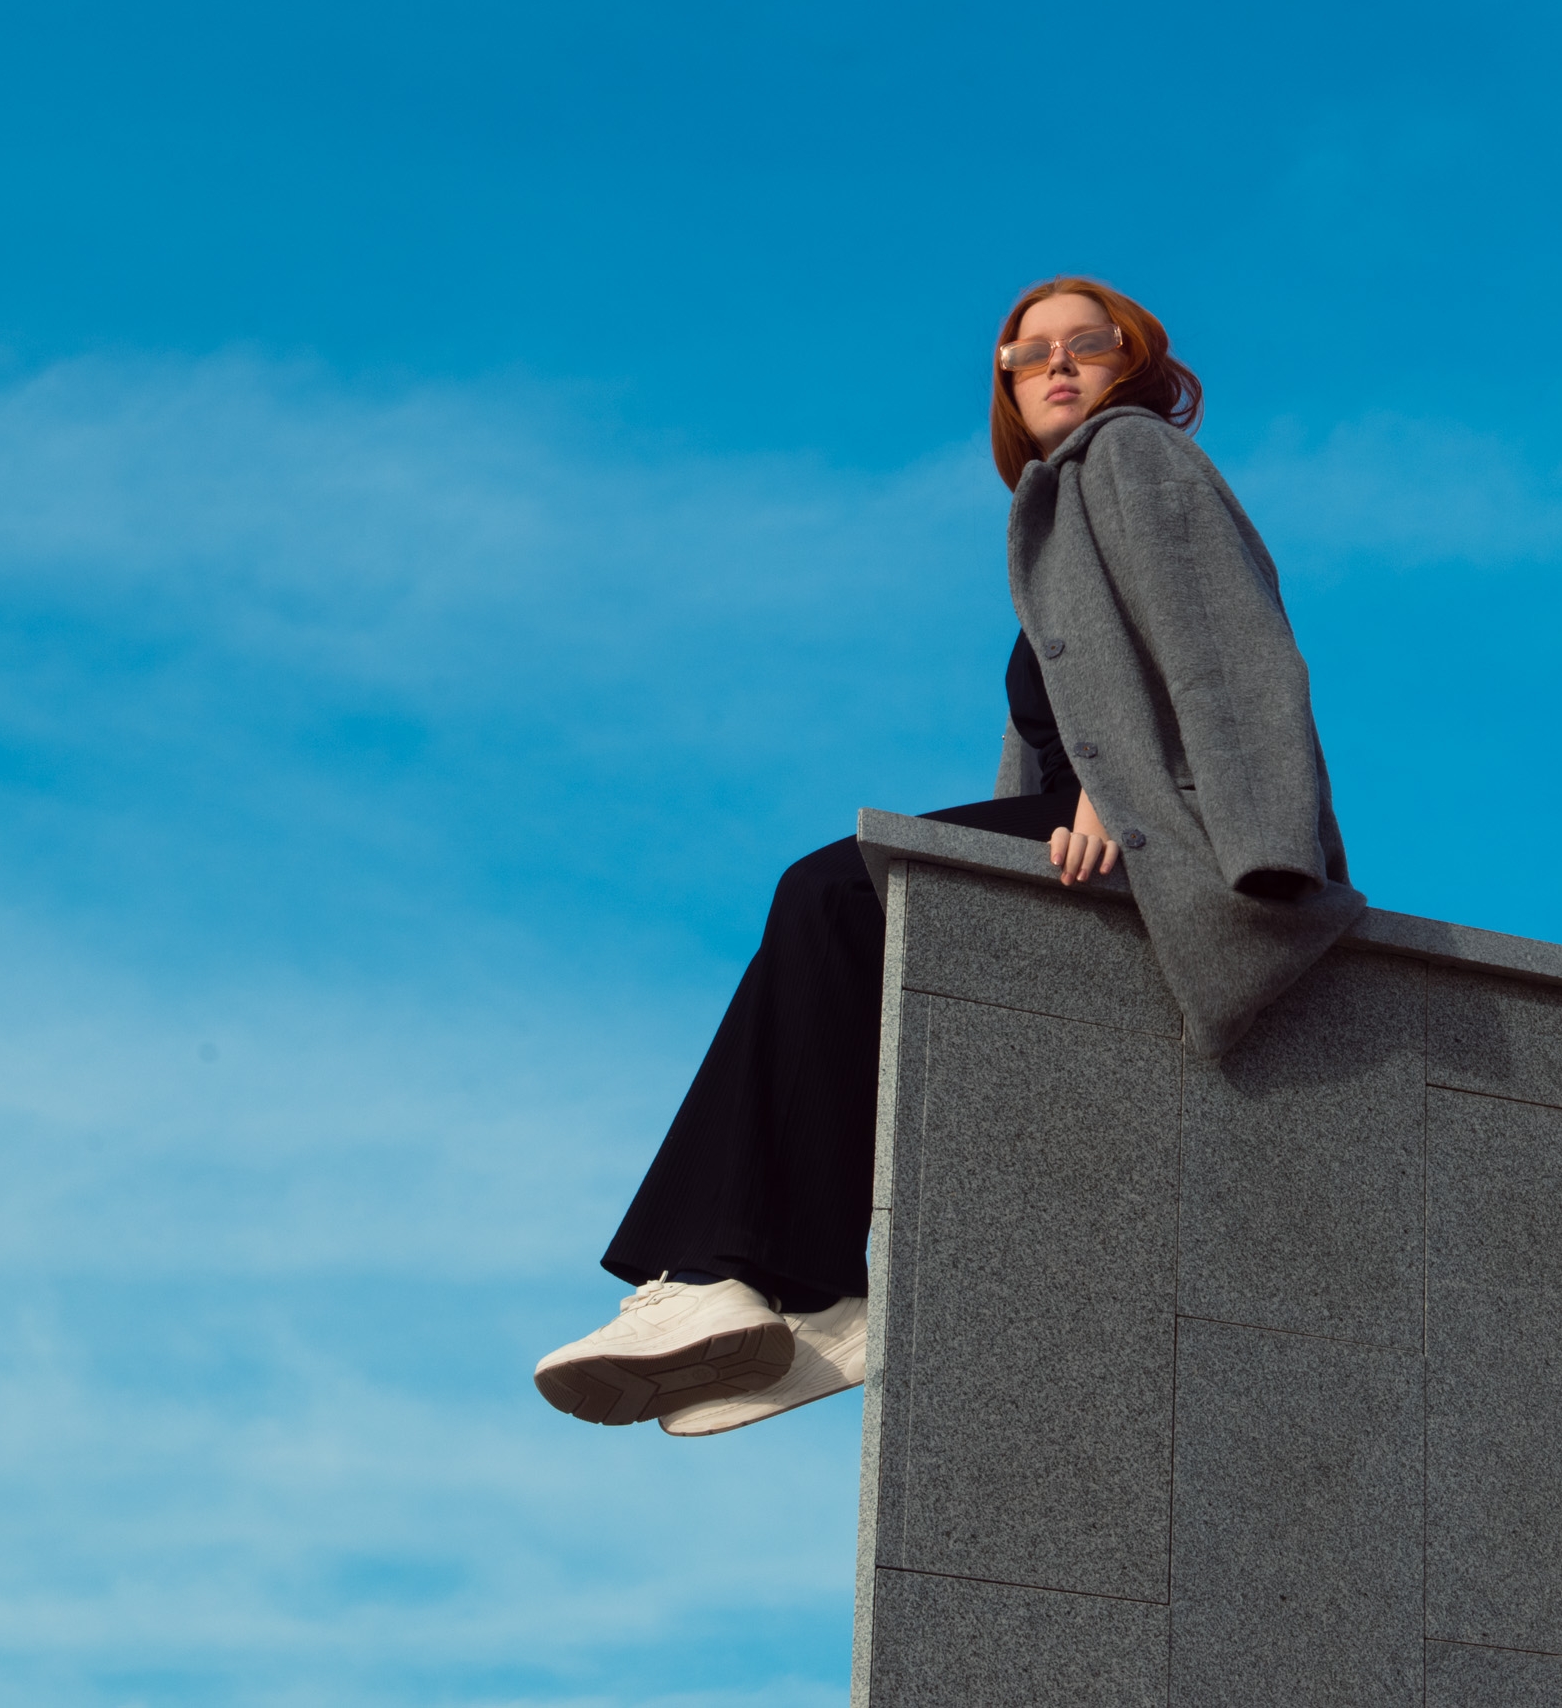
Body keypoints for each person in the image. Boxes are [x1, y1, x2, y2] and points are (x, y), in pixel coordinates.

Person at [529, 275, 1367, 1435]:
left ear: (1138, 367)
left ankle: (759, 1273)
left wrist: (1248, 850)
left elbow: (1233, 654)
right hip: (1106, 841)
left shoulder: (1135, 459)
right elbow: (1053, 744)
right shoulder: (1054, 511)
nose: (1059, 366)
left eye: (1089, 344)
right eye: (1029, 356)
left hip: (1179, 840)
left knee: (830, 892)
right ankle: (798, 1293)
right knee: (858, 918)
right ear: (1008, 389)